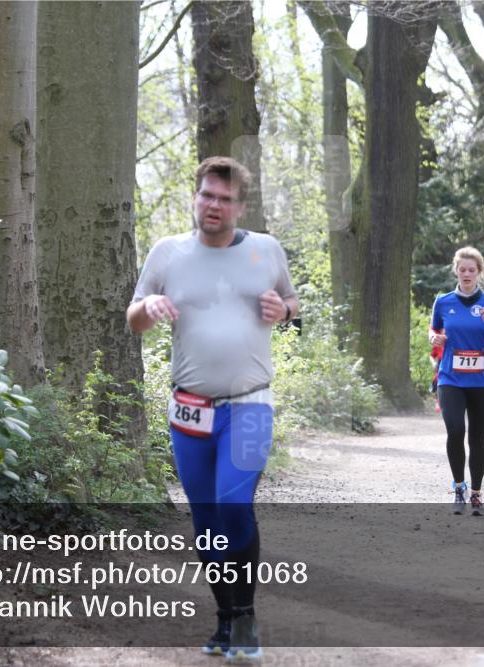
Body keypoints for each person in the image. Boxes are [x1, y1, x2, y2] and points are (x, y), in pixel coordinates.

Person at [126, 156, 298, 661]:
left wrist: (283, 311)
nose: (213, 205)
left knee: (232, 506)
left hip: (249, 406)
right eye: (207, 195)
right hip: (189, 411)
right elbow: (133, 318)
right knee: (206, 522)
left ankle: (244, 621)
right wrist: (148, 309)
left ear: (240, 207)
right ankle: (226, 620)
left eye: (224, 199)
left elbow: (293, 302)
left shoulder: (265, 251)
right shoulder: (168, 253)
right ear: (195, 198)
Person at [429, 247, 484, 516]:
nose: (466, 274)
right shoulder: (443, 302)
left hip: (482, 382)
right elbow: (435, 330)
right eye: (462, 269)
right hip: (450, 379)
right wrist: (434, 338)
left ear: (479, 272)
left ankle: (476, 492)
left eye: (471, 270)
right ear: (456, 270)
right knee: (455, 432)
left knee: (477, 438)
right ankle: (458, 488)